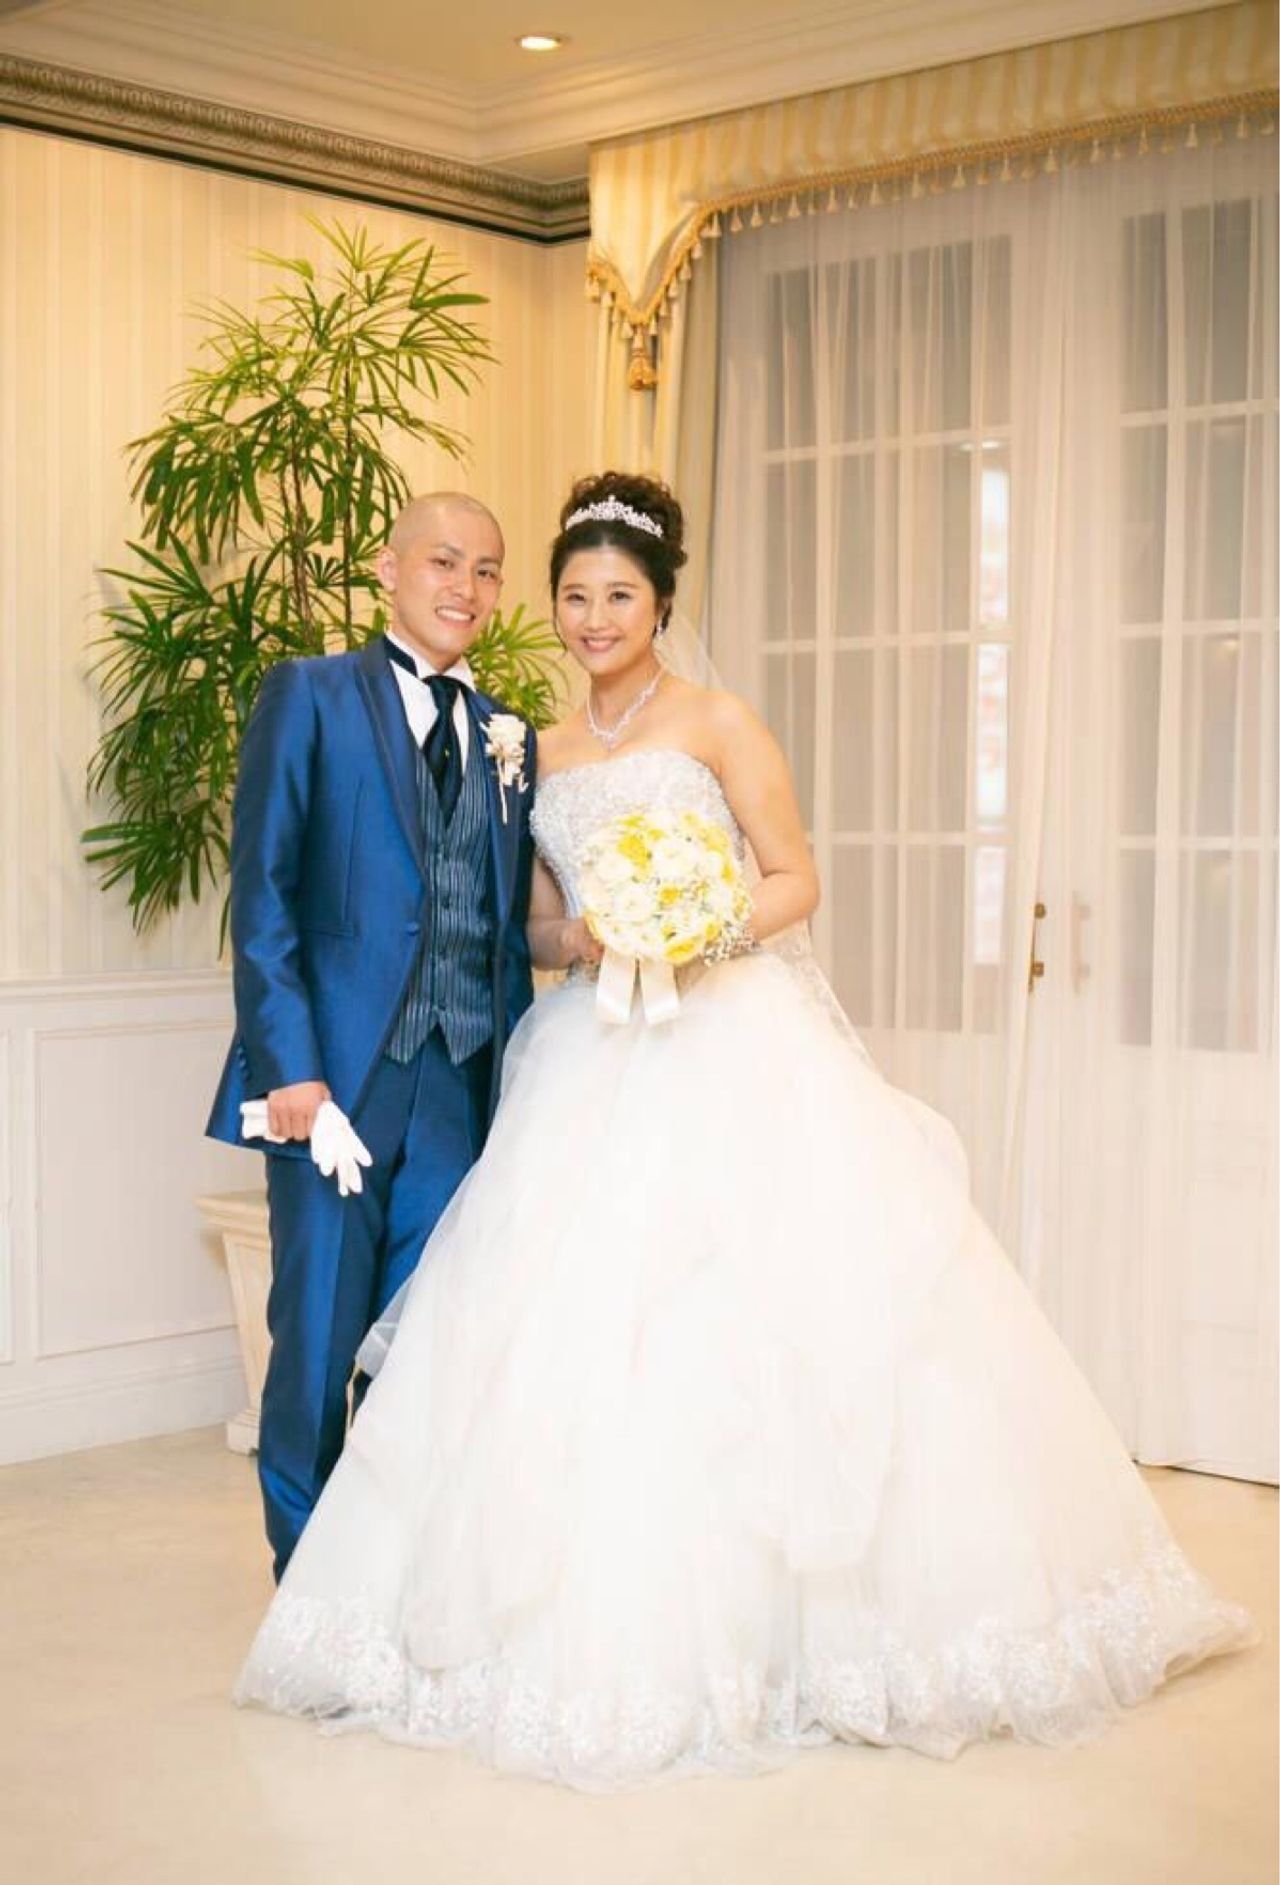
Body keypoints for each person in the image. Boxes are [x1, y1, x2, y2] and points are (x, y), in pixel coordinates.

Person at [234, 472, 1250, 1785]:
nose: (595, 617)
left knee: (762, 1325)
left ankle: (784, 1640)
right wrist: (597, 931)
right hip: (583, 1053)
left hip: (729, 1042)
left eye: (620, 595)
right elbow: (527, 922)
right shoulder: (531, 744)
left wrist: (696, 925)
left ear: (662, 603)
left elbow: (794, 875)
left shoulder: (714, 722)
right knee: (545, 1332)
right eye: (574, 595)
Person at [207, 492, 537, 1581]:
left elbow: (500, 926)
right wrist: (290, 1071)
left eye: (486, 570)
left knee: (423, 1352)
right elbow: (263, 899)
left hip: (461, 1085)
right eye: (443, 561)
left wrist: (522, 1083)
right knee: (314, 1346)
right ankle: (305, 1594)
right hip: (337, 1087)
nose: (465, 588)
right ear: (389, 569)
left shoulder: (510, 735)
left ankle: (390, 1587)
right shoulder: (307, 694)